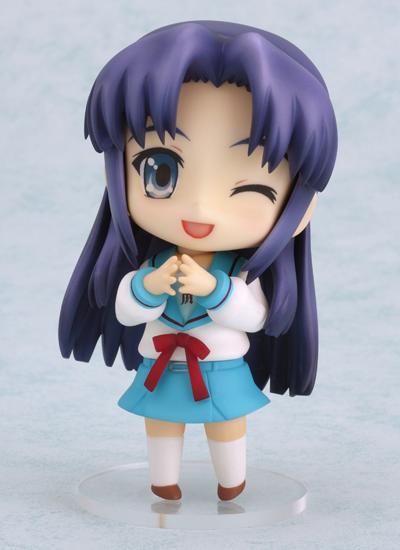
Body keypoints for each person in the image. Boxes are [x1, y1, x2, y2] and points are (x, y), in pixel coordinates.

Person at [58, 20, 338, 501]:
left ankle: (231, 480)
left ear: (302, 209)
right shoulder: (156, 262)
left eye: (252, 189)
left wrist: (215, 291)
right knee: (161, 424)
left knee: (225, 424)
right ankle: (163, 480)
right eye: (160, 170)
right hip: (160, 364)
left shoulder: (238, 273)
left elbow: (255, 316)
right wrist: (147, 287)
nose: (201, 209)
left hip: (220, 366)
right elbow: (126, 309)